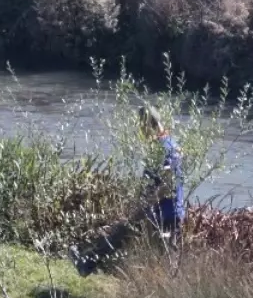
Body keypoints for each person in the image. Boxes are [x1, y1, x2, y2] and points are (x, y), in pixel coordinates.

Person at [71, 107, 185, 276]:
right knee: (166, 257)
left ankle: (87, 264)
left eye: (141, 126)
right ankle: (89, 263)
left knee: (122, 232)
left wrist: (143, 206)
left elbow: (167, 186)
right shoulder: (168, 145)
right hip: (170, 211)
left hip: (160, 212)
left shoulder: (165, 148)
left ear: (148, 125)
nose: (141, 132)